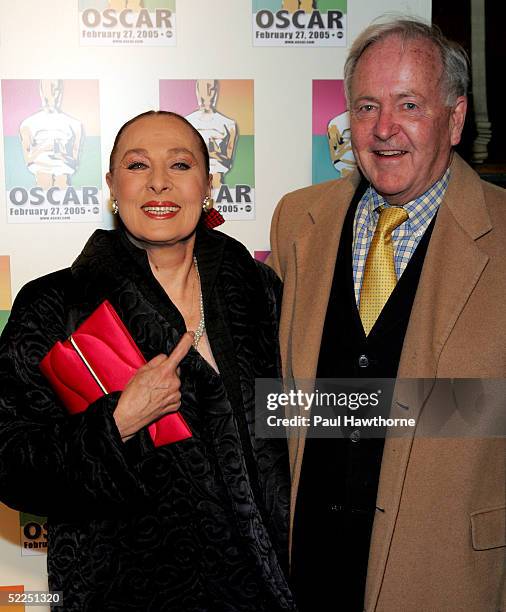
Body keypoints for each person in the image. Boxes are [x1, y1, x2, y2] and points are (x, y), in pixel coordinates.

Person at [0, 111, 295, 612]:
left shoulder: (260, 294)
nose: (159, 182)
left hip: (262, 590)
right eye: (138, 166)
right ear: (113, 186)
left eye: (180, 165)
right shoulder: (56, 305)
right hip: (125, 594)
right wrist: (117, 422)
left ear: (207, 186)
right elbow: (9, 462)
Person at [269, 18, 506, 612]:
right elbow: (276, 397)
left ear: (455, 119)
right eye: (367, 106)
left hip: (443, 574)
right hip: (307, 572)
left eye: (409, 105)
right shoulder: (298, 221)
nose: (383, 130)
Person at [19, 79, 83, 190]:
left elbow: (75, 161)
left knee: (62, 184)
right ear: (41, 91)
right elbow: (28, 160)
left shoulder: (75, 125)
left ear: (61, 91)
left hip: (64, 172)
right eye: (50, 88)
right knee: (44, 182)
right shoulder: (28, 124)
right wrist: (45, 149)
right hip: (41, 171)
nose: (55, 93)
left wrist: (60, 155)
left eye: (57, 89)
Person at [185, 80, 237, 190]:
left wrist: (213, 154)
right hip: (190, 186)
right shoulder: (185, 123)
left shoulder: (229, 125)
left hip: (218, 183)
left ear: (216, 92)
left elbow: (229, 161)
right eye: (203, 89)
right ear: (197, 91)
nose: (207, 94)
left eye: (211, 89)